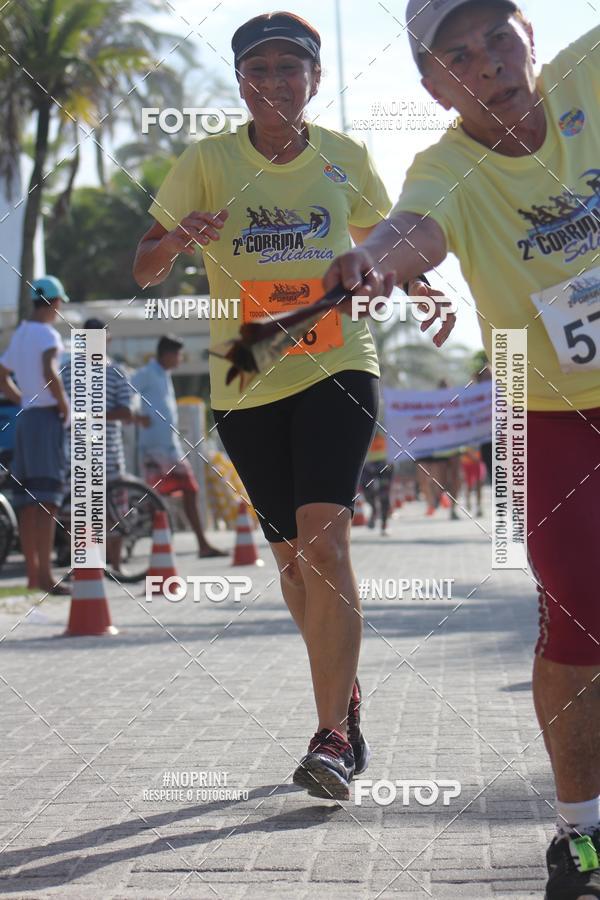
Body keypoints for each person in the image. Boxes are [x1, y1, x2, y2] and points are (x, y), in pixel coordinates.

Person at [133, 11, 453, 799]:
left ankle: (332, 739)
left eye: (289, 68)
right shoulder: (205, 163)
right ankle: (343, 699)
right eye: (258, 69)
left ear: (314, 78)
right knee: (292, 563)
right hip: (244, 379)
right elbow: (143, 267)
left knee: (326, 543)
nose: (273, 82)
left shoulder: (344, 160)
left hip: (338, 364)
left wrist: (417, 283)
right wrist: (176, 242)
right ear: (239, 80)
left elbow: (385, 245)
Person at [323, 1, 600, 894]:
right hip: (549, 419)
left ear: (529, 30)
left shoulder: (588, 72)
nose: (484, 63)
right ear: (432, 82)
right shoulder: (444, 169)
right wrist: (370, 257)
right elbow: (414, 229)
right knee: (580, 618)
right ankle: (582, 830)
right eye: (456, 54)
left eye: (495, 37)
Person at [0, 276, 70, 594]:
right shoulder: (47, 334)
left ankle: (33, 574)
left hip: (24, 420)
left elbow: (3, 375)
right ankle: (46, 575)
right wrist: (63, 404)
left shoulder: (21, 334)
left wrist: (22, 397)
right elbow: (48, 368)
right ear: (54, 303)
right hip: (44, 419)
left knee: (28, 502)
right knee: (47, 501)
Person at [62, 318, 150, 573]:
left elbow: (127, 411)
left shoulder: (117, 372)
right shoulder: (68, 372)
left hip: (109, 453)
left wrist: (93, 417)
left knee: (115, 511)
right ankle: (85, 565)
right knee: (78, 513)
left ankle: (115, 565)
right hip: (76, 453)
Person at [131, 335, 226, 559]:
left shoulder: (164, 374)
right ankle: (190, 545)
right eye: (178, 354)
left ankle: (189, 544)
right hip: (156, 448)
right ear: (167, 354)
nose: (180, 359)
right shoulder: (147, 373)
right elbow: (127, 390)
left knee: (166, 496)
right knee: (167, 496)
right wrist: (136, 416)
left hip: (168, 447)